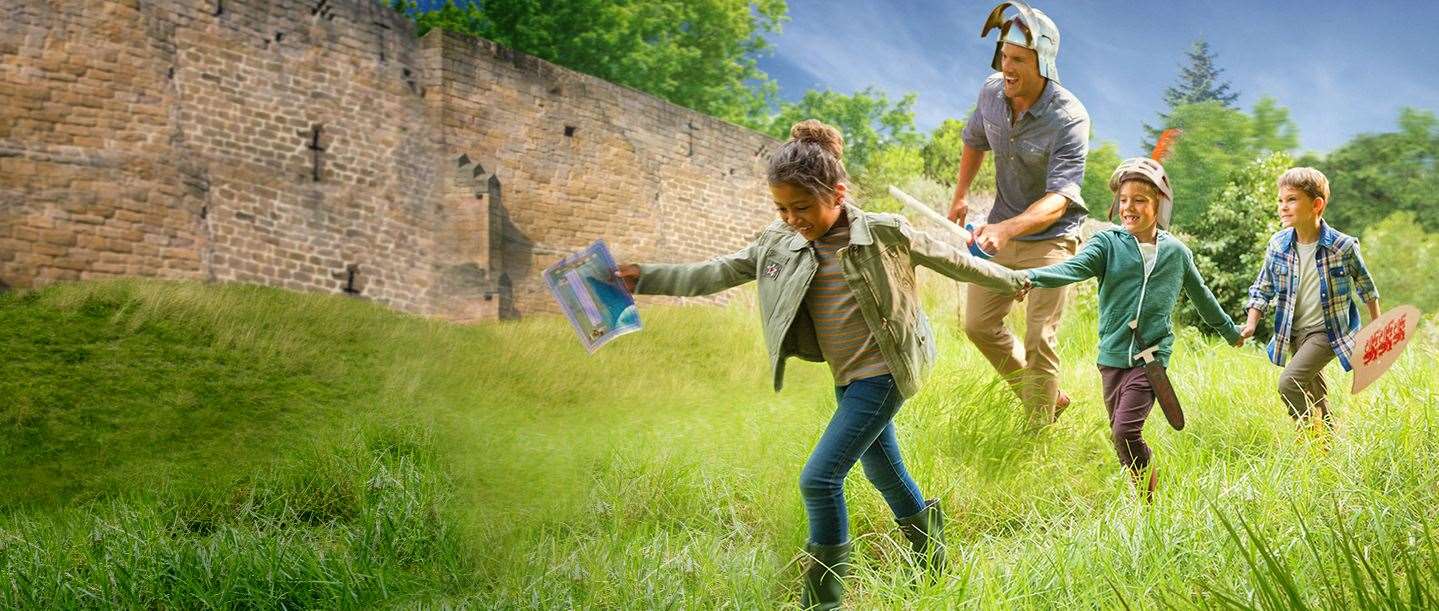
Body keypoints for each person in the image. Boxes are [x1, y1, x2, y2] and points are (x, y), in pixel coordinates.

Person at [616, 120, 1029, 609]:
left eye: (803, 207)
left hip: (886, 370)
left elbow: (951, 259)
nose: (793, 218)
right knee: (883, 470)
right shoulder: (780, 242)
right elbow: (716, 272)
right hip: (848, 377)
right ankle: (933, 562)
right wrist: (643, 278)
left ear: (837, 192)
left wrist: (1010, 279)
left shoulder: (881, 232)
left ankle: (823, 601)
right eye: (782, 208)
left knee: (819, 478)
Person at [1022, 158, 1241, 499]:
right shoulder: (1107, 244)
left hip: (1149, 359)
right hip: (1111, 356)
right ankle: (1146, 495)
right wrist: (1031, 277)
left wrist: (1231, 332)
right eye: (1124, 199)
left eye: (1139, 199)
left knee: (1125, 431)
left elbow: (1203, 298)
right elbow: (1073, 268)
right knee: (1118, 435)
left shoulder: (1177, 253)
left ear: (1159, 205)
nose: (1129, 207)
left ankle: (1151, 503)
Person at [949, 1, 1091, 423]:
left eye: (1019, 60)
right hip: (1002, 230)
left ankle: (1038, 431)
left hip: (1051, 238)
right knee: (978, 325)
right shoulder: (992, 92)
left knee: (1039, 337)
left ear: (1043, 62)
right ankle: (1046, 397)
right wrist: (960, 195)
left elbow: (1061, 198)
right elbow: (975, 139)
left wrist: (1009, 229)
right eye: (1003, 56)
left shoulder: (1069, 117)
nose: (1007, 68)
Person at [1240, 167, 1381, 428]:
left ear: (1317, 204)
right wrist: (1251, 324)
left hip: (1327, 331)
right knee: (1316, 394)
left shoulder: (1342, 246)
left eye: (1291, 199)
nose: (1283, 207)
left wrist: (1377, 325)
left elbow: (1366, 286)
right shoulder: (1278, 245)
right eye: (1280, 200)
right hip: (1293, 331)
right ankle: (1327, 443)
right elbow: (1262, 287)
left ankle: (1307, 433)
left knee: (1289, 383)